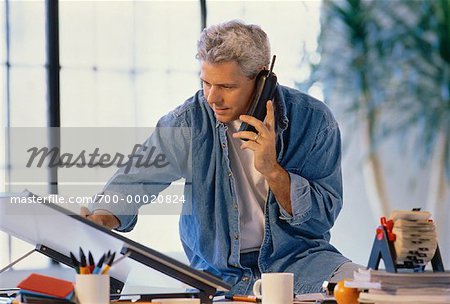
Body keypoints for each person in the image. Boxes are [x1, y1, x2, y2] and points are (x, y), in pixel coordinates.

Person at [82, 20, 360, 295]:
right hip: (217, 275)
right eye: (206, 83)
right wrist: (102, 220)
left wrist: (273, 171)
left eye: (226, 86)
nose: (212, 97)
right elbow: (135, 181)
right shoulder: (188, 121)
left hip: (300, 265)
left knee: (365, 290)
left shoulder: (314, 120)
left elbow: (321, 219)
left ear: (263, 78)